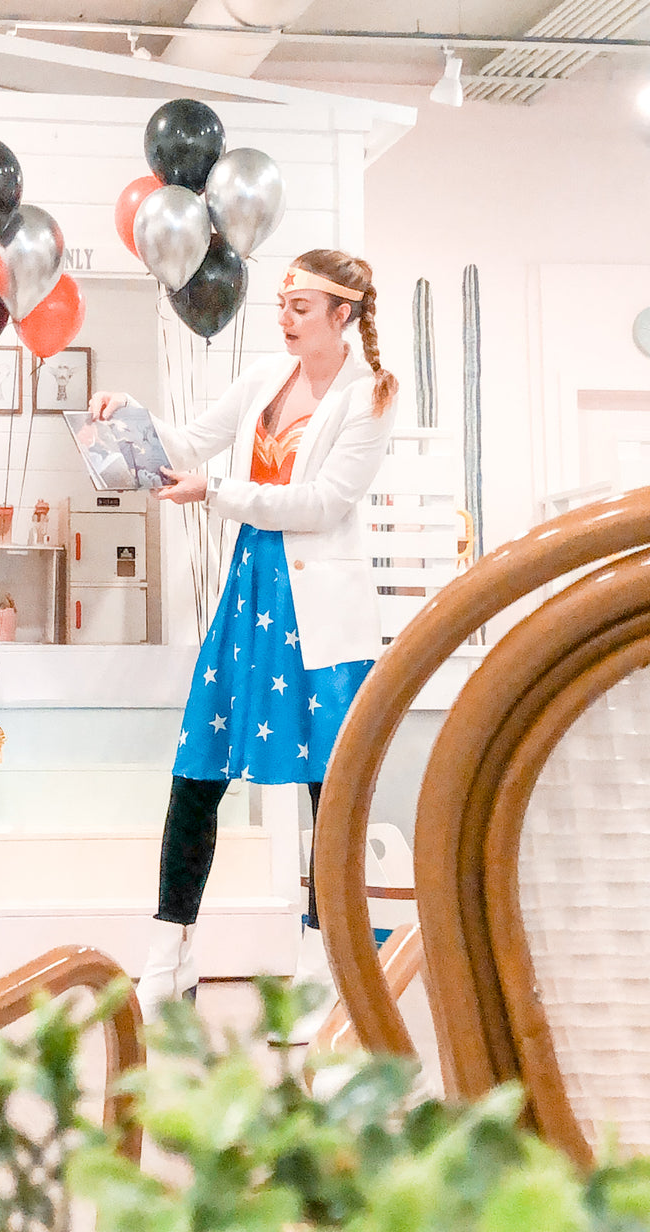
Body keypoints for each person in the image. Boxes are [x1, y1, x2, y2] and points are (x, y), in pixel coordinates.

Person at [89, 249, 399, 1024]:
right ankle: (169, 951)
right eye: (283, 305)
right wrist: (131, 415)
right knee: (197, 767)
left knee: (333, 788)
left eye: (302, 306)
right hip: (252, 591)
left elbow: (323, 504)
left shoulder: (371, 399)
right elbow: (189, 443)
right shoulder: (265, 377)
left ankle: (329, 964)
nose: (286, 318)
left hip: (321, 612)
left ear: (345, 314)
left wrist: (219, 493)